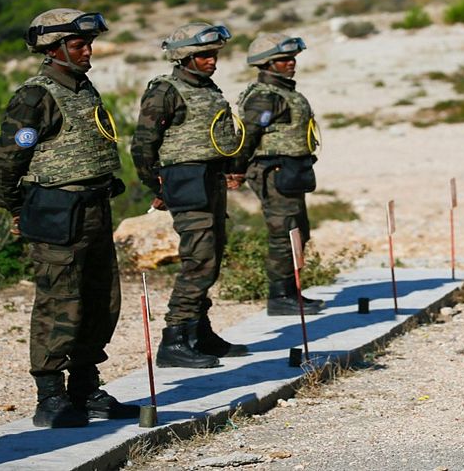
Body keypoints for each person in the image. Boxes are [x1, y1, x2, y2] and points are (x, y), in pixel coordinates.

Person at [0, 8, 138, 427]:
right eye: (79, 45)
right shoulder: (35, 96)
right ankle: (50, 396)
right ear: (53, 49)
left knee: (101, 299)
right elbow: (6, 162)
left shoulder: (83, 88)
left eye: (88, 43)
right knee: (60, 302)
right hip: (57, 212)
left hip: (95, 207)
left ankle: (85, 388)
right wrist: (20, 210)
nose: (88, 51)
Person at [130, 22, 248, 368]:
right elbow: (142, 146)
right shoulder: (165, 90)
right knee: (199, 260)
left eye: (213, 55)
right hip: (185, 181)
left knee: (213, 256)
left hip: (211, 180)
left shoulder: (208, 87)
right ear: (184, 57)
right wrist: (158, 187)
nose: (212, 61)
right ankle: (176, 338)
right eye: (204, 55)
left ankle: (199, 331)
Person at [232, 33, 325, 316]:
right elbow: (247, 136)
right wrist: (234, 170)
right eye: (283, 60)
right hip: (274, 172)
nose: (291, 64)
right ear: (266, 64)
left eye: (292, 58)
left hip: (292, 171)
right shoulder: (264, 98)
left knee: (299, 232)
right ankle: (280, 296)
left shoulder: (286, 93)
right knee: (283, 233)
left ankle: (291, 290)